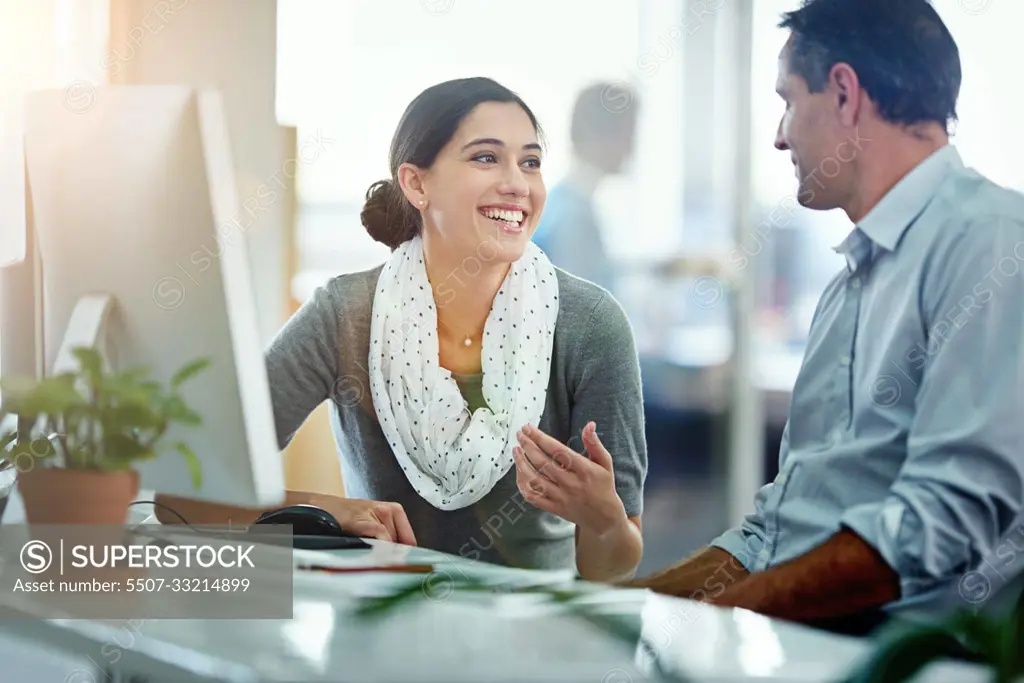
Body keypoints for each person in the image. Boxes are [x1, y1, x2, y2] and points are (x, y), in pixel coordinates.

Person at [625, 0, 1024, 638]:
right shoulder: (849, 287)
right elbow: (773, 532)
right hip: (808, 647)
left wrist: (710, 620)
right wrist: (624, 609)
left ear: (843, 93)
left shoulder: (995, 243)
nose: (780, 135)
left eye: (787, 100)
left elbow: (941, 523)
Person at [160, 77, 648, 583]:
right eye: (485, 158)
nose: (517, 184)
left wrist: (604, 520)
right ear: (417, 183)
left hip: (534, 642)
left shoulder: (592, 325)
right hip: (377, 640)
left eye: (530, 162)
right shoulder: (345, 315)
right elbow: (184, 498)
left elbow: (611, 566)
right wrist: (327, 512)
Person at [531, 82, 638, 296]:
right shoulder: (574, 216)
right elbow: (579, 315)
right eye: (628, 135)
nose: (631, 147)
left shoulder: (563, 202)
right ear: (599, 136)